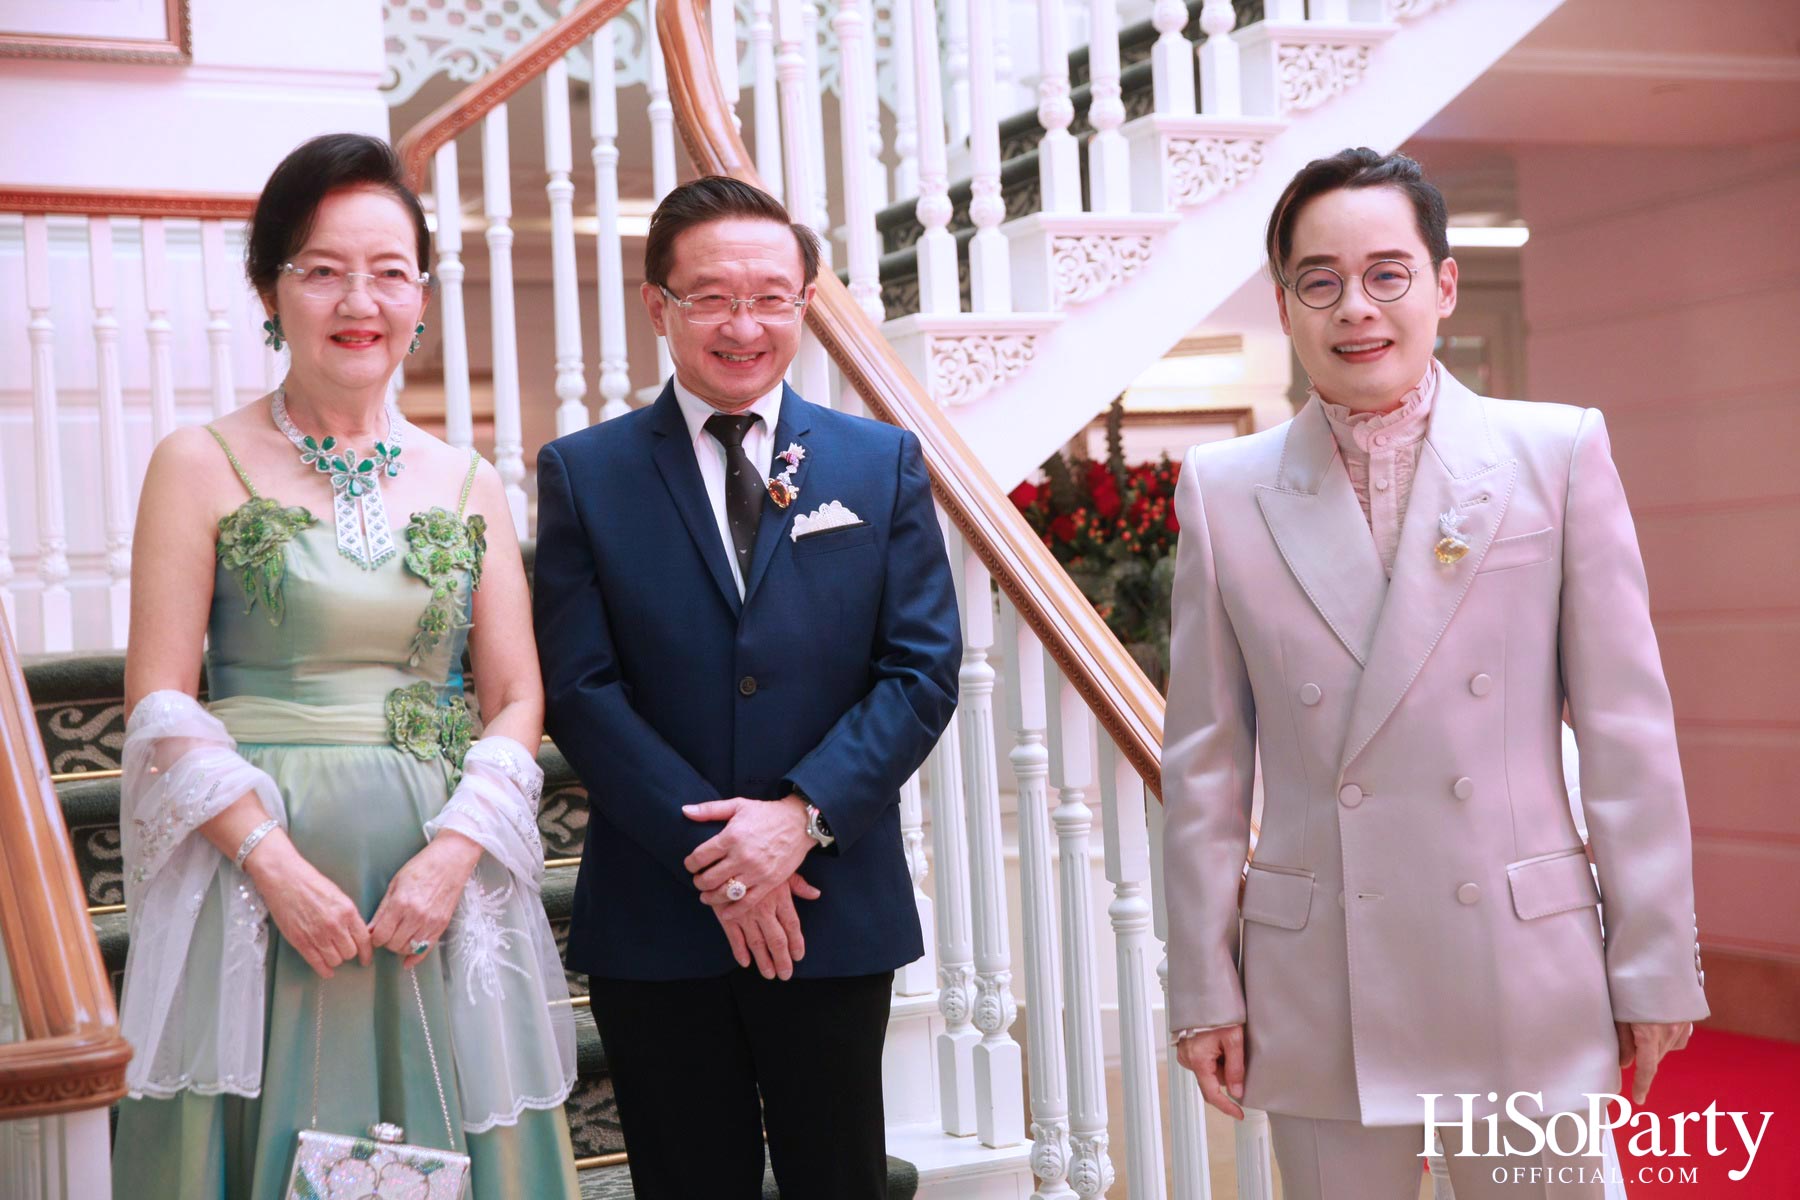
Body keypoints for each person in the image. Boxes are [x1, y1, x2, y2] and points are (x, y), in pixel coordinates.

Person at [1160, 148, 1708, 1199]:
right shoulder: (1224, 492)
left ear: (1443, 285)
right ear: (1285, 305)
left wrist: (1651, 962)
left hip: (1517, 962)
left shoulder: (1555, 453)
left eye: (1387, 274)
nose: (1355, 308)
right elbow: (1207, 768)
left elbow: (1627, 736)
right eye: (1319, 281)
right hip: (1320, 977)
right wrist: (1204, 987)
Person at [113, 133, 578, 1199]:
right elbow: (159, 698)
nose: (356, 298)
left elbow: (515, 696)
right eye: (322, 269)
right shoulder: (200, 461)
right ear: (270, 289)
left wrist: (456, 852)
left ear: (421, 294)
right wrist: (270, 865)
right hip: (258, 880)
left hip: (431, 880)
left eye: (387, 271)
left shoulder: (469, 482)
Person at [533, 175, 960, 1200]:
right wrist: (721, 856)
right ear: (659, 306)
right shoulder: (585, 474)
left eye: (772, 296)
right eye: (713, 296)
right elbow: (581, 687)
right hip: (658, 908)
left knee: (838, 1178)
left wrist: (799, 820)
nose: (744, 324)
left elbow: (920, 670)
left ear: (805, 305)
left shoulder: (881, 462)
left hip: (828, 898)